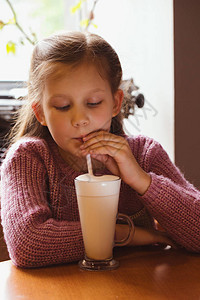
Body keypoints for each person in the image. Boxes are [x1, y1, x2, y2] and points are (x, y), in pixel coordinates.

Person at [0, 31, 199, 268]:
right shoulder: (29, 158)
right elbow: (27, 244)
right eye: (63, 106)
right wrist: (126, 235)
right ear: (41, 112)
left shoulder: (143, 154)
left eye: (93, 103)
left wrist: (140, 179)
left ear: (115, 103)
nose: (80, 119)